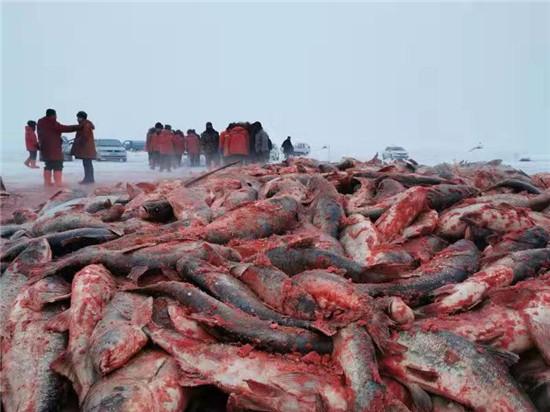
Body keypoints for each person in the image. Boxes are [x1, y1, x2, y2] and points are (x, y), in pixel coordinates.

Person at [36, 109, 80, 187]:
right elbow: (65, 128)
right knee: (58, 165)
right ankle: (58, 183)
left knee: (48, 165)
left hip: (45, 149)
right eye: (56, 115)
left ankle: (47, 182)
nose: (56, 117)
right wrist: (78, 127)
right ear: (53, 115)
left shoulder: (41, 123)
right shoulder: (52, 123)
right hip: (54, 149)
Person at [70, 111, 97, 184]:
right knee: (87, 164)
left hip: (86, 148)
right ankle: (89, 178)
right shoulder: (85, 124)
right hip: (87, 149)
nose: (77, 119)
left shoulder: (86, 125)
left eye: (78, 117)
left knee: (87, 164)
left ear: (81, 118)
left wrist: (77, 142)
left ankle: (88, 179)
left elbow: (85, 137)